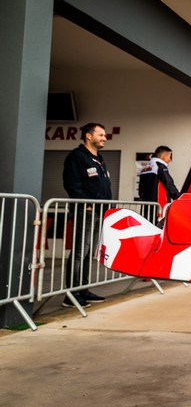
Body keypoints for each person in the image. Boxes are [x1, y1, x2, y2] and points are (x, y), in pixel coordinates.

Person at [62, 122, 113, 308]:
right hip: (85, 211)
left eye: (105, 135)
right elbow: (72, 183)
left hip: (99, 212)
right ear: (88, 136)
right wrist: (86, 204)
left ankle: (83, 290)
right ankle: (71, 294)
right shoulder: (77, 157)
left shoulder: (99, 158)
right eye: (101, 135)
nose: (104, 138)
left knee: (87, 253)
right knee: (78, 253)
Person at [138, 146, 181, 211]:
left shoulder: (145, 168)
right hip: (160, 206)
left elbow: (140, 190)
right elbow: (169, 184)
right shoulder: (160, 166)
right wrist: (179, 198)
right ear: (164, 156)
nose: (170, 160)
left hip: (146, 206)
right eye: (169, 156)